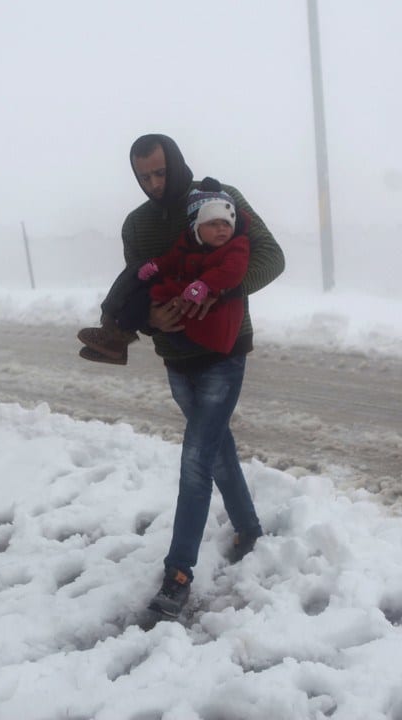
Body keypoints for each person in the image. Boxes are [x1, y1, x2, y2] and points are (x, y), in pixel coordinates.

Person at [87, 133, 285, 618]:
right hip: (175, 355)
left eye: (160, 172)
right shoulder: (137, 225)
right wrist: (150, 319)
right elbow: (140, 283)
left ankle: (178, 575)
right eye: (144, 177)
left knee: (196, 460)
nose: (154, 184)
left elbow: (270, 258)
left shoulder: (221, 199)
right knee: (215, 448)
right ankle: (250, 531)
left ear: (176, 164)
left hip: (224, 350)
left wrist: (219, 291)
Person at [76, 188, 250, 362]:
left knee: (147, 297)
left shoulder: (236, 246)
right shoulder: (189, 241)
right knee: (140, 288)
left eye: (226, 223)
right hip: (183, 312)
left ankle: (117, 338)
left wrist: (205, 285)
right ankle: (114, 335)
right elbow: (172, 259)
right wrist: (155, 266)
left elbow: (233, 271)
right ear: (197, 227)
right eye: (212, 223)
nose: (221, 229)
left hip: (207, 324)